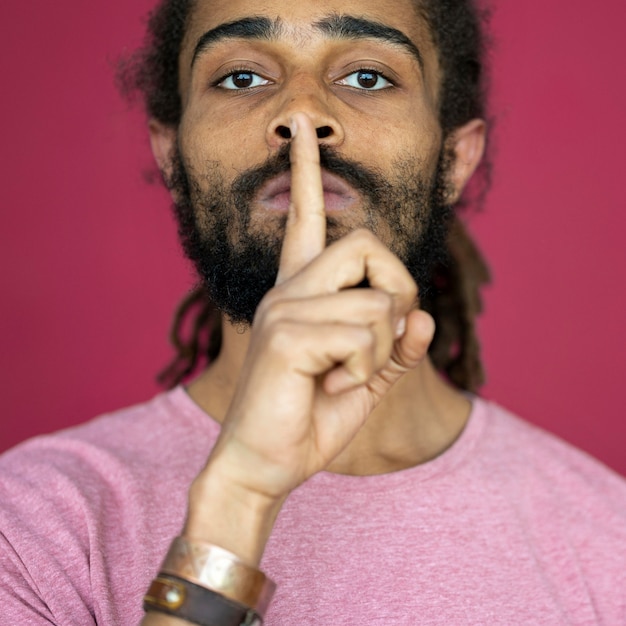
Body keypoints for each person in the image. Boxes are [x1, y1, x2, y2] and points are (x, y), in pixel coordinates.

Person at [1, 0, 625, 624]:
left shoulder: (608, 543)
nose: (302, 113)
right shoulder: (27, 529)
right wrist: (239, 497)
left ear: (455, 158)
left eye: (368, 76)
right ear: (171, 155)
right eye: (242, 77)